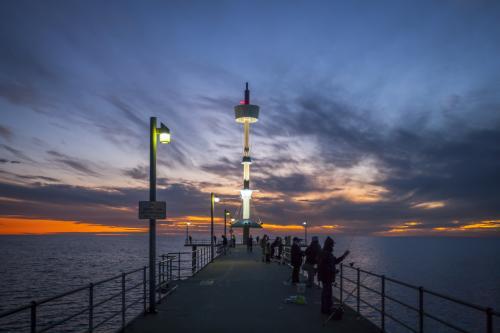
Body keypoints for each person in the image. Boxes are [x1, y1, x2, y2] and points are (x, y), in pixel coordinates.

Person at [318, 237, 349, 314]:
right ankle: (327, 310)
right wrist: (334, 271)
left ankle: (324, 309)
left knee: (325, 293)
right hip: (327, 277)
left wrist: (344, 256)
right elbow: (325, 266)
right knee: (327, 294)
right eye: (332, 245)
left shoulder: (325, 253)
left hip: (325, 277)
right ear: (330, 245)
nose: (333, 246)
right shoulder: (326, 254)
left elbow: (334, 261)